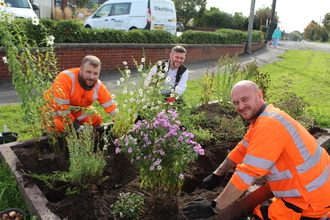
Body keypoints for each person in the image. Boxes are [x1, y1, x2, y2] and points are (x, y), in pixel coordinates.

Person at [181, 80, 330, 220]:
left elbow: (247, 174)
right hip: (312, 191)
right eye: (236, 103)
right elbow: (242, 149)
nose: (240, 106)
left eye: (245, 99)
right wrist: (217, 174)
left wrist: (214, 207)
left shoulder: (267, 126)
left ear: (259, 95)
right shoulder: (265, 117)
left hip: (308, 201)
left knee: (255, 215)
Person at [42, 55, 118, 134]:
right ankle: (48, 139)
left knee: (96, 119)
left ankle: (78, 137)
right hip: (54, 110)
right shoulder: (65, 78)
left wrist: (120, 120)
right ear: (81, 69)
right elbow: (60, 109)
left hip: (75, 110)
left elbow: (111, 106)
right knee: (57, 126)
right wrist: (75, 126)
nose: (91, 77)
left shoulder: (98, 86)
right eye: (88, 72)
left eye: (95, 73)